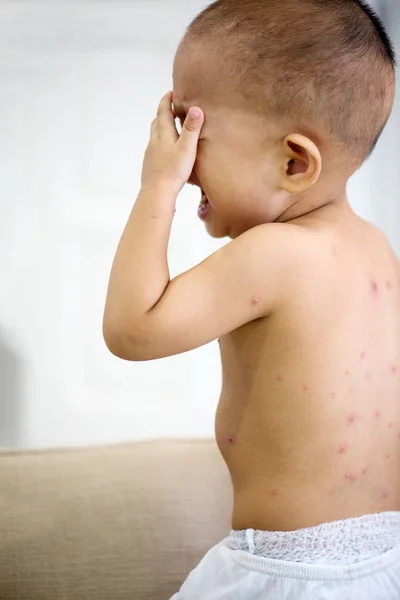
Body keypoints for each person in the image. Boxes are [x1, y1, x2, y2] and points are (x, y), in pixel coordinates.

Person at [103, 0, 400, 597]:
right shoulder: (378, 252)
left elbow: (131, 330)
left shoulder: (275, 252)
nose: (182, 165)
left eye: (191, 131)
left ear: (294, 162)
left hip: (291, 574)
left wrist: (153, 187)